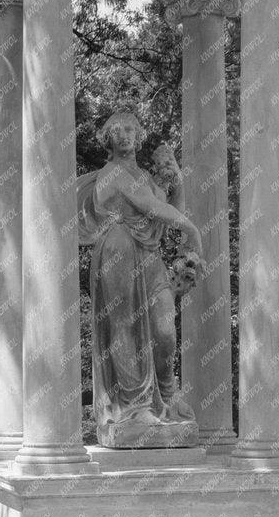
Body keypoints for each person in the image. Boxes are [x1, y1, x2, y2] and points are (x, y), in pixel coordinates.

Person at [77, 108, 203, 447]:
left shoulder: (144, 175)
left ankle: (169, 397)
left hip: (150, 255)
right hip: (117, 248)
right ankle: (135, 407)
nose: (124, 135)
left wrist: (177, 181)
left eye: (130, 129)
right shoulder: (112, 173)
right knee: (123, 326)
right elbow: (151, 208)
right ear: (108, 140)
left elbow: (170, 206)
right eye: (116, 131)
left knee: (164, 330)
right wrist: (191, 232)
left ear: (138, 135)